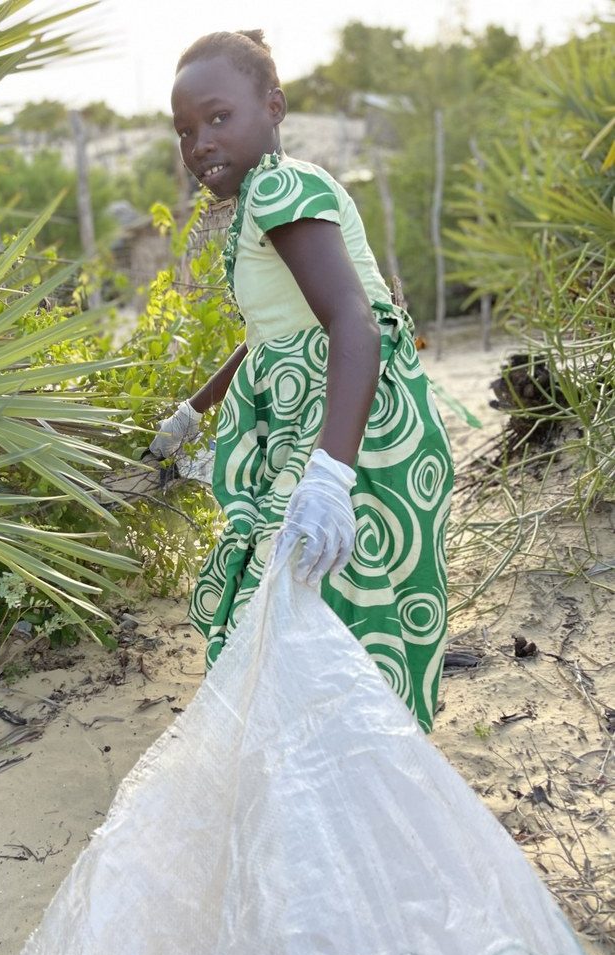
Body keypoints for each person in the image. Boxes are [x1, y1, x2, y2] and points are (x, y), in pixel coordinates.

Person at [150, 29, 454, 733]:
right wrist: (194, 411)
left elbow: (353, 320)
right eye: (185, 130)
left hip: (352, 429)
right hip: (337, 419)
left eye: (219, 118)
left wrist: (328, 479)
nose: (199, 144)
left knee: (304, 608)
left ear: (275, 107)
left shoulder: (283, 187)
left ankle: (343, 795)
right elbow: (275, 332)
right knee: (314, 618)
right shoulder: (263, 199)